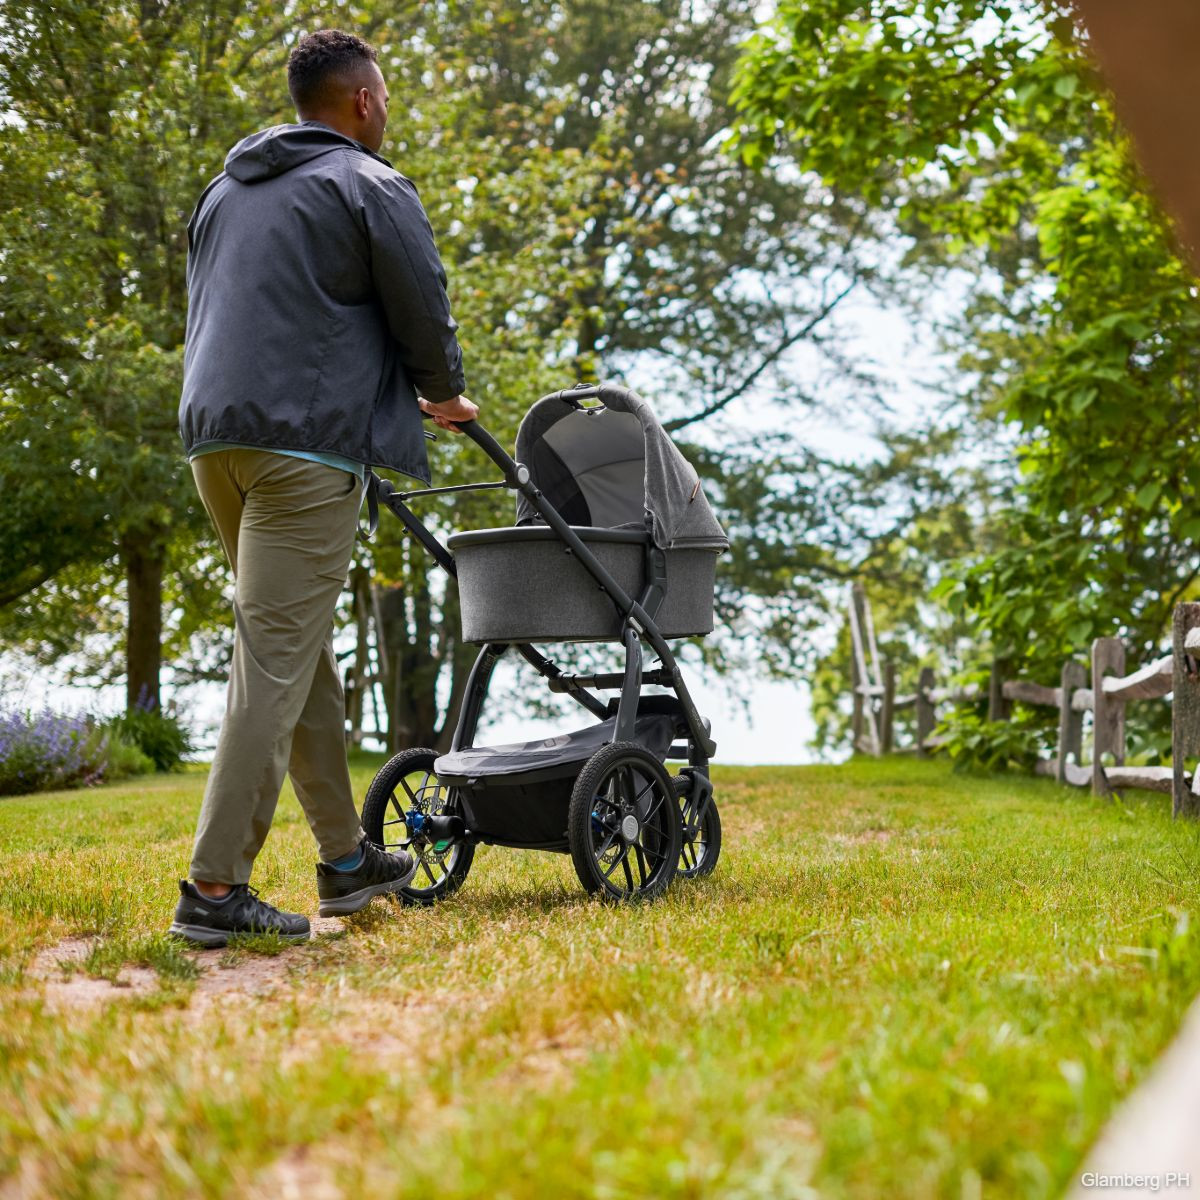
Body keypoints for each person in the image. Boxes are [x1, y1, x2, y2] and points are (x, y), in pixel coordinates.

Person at [170, 28, 478, 947]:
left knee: (300, 656)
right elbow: (420, 298)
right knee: (272, 659)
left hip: (213, 442)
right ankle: (215, 890)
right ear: (361, 103)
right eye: (383, 97)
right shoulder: (369, 185)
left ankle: (347, 861)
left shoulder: (224, 191)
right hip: (303, 449)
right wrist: (442, 391)